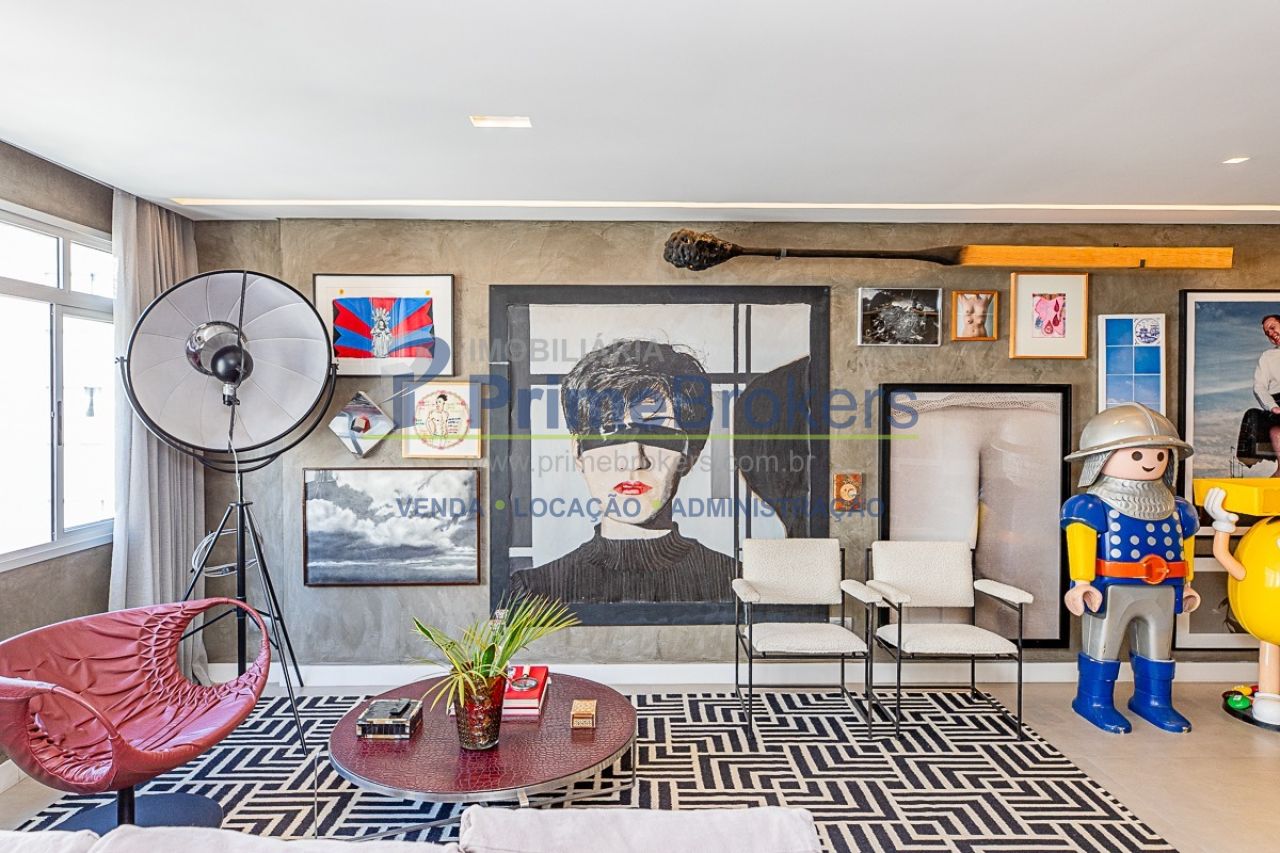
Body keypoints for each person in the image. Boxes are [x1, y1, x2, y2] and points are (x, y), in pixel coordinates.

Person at [508, 339, 734, 604]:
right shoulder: (531, 591)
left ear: (691, 454)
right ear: (578, 452)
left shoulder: (737, 583)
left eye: (657, 433)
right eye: (609, 431)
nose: (633, 459)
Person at [1060, 403, 1201, 734]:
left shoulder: (1178, 509)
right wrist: (1081, 583)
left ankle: (1155, 701)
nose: (1150, 461)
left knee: (1158, 647)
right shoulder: (1090, 505)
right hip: (1111, 587)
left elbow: (1185, 546)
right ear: (1101, 458)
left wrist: (1187, 584)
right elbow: (1080, 543)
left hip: (1164, 587)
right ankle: (1093, 700)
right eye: (1137, 455)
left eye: (1160, 455)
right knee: (1104, 645)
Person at [1203, 487, 1280, 726]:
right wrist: (1223, 522)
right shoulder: (1264, 535)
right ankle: (1269, 695)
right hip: (1266, 615)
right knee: (1270, 644)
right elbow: (1221, 553)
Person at [1250, 314, 1280, 472]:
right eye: (1267, 333)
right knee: (1276, 431)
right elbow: (1259, 386)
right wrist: (1272, 406)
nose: (1271, 334)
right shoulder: (1267, 357)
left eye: (1273, 328)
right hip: (1277, 404)